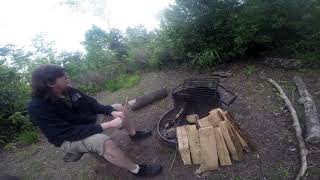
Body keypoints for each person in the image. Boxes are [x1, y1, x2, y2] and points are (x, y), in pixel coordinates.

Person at [27, 64, 162, 177]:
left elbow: (93, 104)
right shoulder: (38, 107)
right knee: (101, 141)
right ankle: (137, 170)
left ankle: (134, 135)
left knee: (118, 107)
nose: (67, 77)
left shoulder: (69, 91)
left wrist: (111, 111)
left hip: (87, 124)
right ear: (50, 83)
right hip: (67, 138)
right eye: (63, 76)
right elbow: (67, 132)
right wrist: (108, 124)